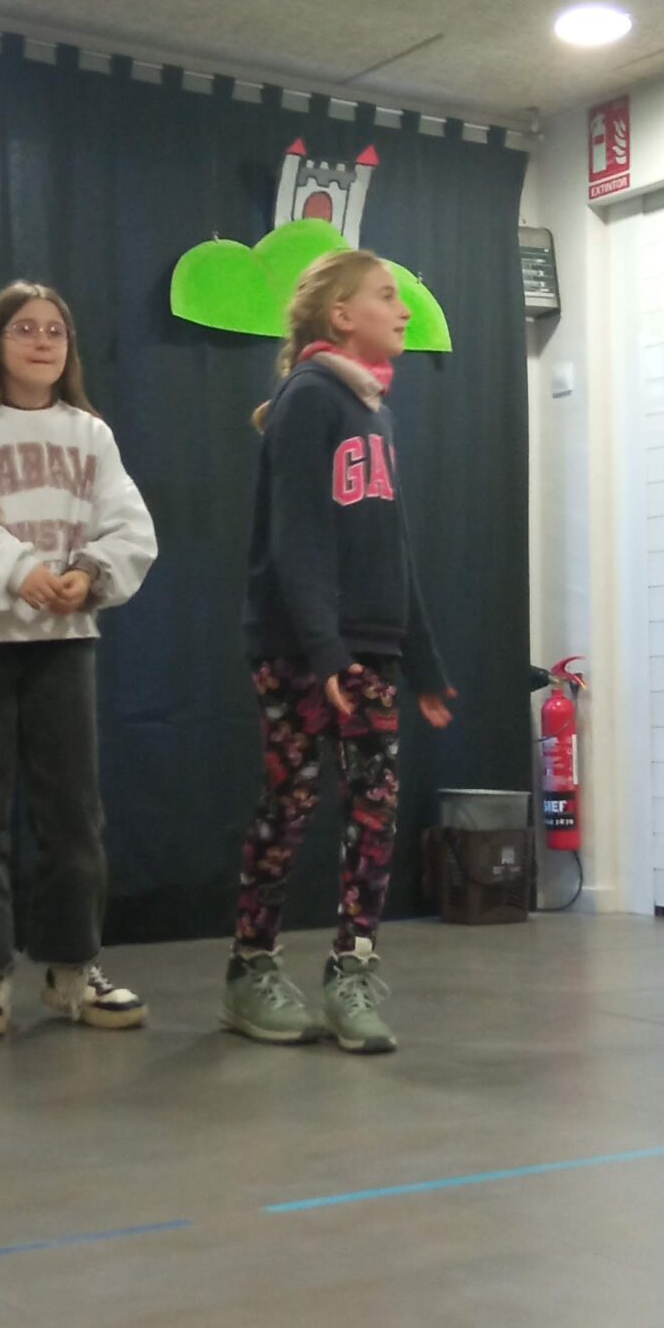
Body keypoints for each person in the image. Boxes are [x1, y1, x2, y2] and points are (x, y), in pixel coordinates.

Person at [0, 282, 157, 1042]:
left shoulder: (91, 433)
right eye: (25, 329)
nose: (43, 341)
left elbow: (129, 526)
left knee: (73, 816)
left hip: (64, 640)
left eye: (56, 330)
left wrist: (87, 573)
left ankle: (72, 969)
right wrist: (20, 571)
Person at [225, 248, 455, 1056]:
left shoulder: (376, 411)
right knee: (290, 803)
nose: (403, 310)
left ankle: (352, 969)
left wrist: (422, 662)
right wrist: (324, 651)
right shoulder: (309, 399)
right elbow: (297, 538)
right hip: (301, 649)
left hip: (371, 651)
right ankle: (251, 967)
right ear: (341, 316)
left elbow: (393, 548)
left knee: (373, 809)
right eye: (387, 296)